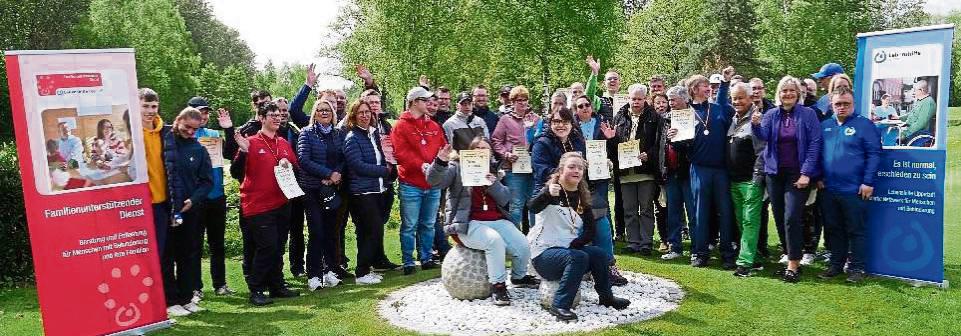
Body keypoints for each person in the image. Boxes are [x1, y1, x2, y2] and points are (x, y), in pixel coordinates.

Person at [428, 140, 540, 306]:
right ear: (470, 151)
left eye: (485, 149)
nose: (481, 152)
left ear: (490, 154)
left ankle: (519, 277)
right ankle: (499, 286)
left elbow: (504, 199)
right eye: (477, 148)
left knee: (522, 243)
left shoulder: (494, 170)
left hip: (495, 219)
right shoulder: (456, 167)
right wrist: (440, 161)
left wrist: (493, 183)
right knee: (493, 241)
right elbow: (434, 181)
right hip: (467, 223)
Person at [527, 152, 631, 321]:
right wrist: (546, 194)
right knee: (579, 257)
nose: (576, 170)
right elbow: (532, 207)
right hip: (544, 255)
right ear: (561, 170)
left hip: (568, 252)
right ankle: (560, 305)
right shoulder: (551, 191)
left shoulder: (582, 197)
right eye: (571, 167)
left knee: (599, 254)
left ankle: (606, 297)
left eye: (580, 168)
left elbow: (590, 230)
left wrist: (576, 243)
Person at [230, 102, 302, 305]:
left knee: (278, 247)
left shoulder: (284, 143)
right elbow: (236, 173)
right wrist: (243, 152)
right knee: (267, 247)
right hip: (258, 205)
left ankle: (277, 286)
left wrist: (289, 167)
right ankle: (256, 289)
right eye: (272, 115)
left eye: (279, 115)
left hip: (282, 203)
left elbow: (297, 171)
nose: (277, 118)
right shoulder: (250, 142)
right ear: (261, 118)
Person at [751, 76, 822, 283]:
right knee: (781, 216)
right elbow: (763, 136)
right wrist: (755, 125)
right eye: (784, 91)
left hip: (797, 174)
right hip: (774, 173)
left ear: (798, 94)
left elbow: (815, 144)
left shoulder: (808, 114)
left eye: (791, 91)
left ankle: (793, 264)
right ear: (778, 94)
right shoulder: (771, 114)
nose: (788, 94)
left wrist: (806, 173)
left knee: (792, 217)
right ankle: (791, 254)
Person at [667, 67, 737, 269]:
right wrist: (673, 140)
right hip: (698, 169)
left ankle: (727, 254)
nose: (708, 88)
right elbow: (683, 145)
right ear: (694, 89)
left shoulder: (718, 109)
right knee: (700, 212)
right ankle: (700, 253)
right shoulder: (685, 115)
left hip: (721, 169)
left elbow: (723, 98)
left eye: (709, 86)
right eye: (705, 86)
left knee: (724, 211)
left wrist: (725, 82)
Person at [817, 87, 881, 283]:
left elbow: (874, 154)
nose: (842, 107)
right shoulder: (825, 125)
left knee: (856, 230)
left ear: (853, 104)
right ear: (831, 105)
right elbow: (818, 154)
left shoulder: (864, 125)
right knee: (834, 228)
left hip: (854, 189)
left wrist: (868, 182)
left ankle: (857, 268)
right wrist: (818, 177)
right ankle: (836, 265)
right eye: (838, 104)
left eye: (846, 104)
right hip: (828, 189)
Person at [161, 107, 213, 316]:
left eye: (195, 129)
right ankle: (171, 300)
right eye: (187, 127)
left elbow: (207, 181)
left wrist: (193, 200)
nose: (190, 132)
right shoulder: (164, 141)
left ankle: (186, 297)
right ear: (178, 120)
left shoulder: (198, 150)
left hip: (190, 210)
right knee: (167, 255)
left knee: (188, 255)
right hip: (166, 208)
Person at [571, 93, 627, 285]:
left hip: (598, 177)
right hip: (577, 180)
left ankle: (608, 266)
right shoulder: (571, 128)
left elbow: (614, 147)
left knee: (600, 217)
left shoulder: (601, 123)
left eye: (587, 105)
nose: (584, 108)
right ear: (575, 110)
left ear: (592, 107)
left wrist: (612, 139)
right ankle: (583, 264)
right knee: (578, 221)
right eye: (580, 106)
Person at [185, 96, 237, 298]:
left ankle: (220, 284)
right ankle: (195, 287)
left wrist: (229, 129)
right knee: (194, 245)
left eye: (206, 112)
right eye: (200, 111)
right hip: (195, 198)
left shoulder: (214, 134)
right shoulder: (184, 136)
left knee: (217, 244)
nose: (204, 115)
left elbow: (232, 153)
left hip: (217, 196)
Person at [394, 87, 448, 275]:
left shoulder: (434, 126)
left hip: (432, 184)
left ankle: (426, 258)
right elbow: (401, 153)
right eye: (425, 100)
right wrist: (422, 165)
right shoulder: (401, 126)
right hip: (411, 183)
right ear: (415, 102)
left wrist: (445, 158)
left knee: (428, 223)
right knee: (410, 225)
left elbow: (442, 147)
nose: (430, 104)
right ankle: (408, 261)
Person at [343, 100, 397, 285]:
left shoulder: (373, 135)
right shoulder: (352, 137)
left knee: (371, 231)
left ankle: (365, 269)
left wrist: (388, 169)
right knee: (372, 231)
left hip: (377, 189)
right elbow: (357, 166)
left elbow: (382, 157)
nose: (365, 115)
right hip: (362, 193)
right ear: (354, 116)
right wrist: (384, 171)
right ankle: (362, 272)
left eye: (367, 112)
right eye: (361, 113)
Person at [297, 99, 347, 290]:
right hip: (312, 189)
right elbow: (303, 160)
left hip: (332, 189)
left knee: (331, 232)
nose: (324, 113)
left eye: (328, 110)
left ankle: (330, 271)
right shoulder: (306, 133)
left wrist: (336, 175)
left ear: (333, 114)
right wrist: (327, 174)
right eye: (320, 110)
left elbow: (342, 158)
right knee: (316, 232)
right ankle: (314, 275)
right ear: (315, 113)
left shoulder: (337, 134)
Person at [610, 84, 661, 256]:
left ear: (645, 99)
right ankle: (633, 241)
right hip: (625, 172)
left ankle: (646, 242)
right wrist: (611, 140)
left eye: (639, 99)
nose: (636, 102)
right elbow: (614, 144)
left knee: (646, 208)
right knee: (629, 209)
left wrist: (649, 155)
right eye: (633, 98)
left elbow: (659, 143)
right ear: (628, 98)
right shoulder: (619, 117)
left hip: (645, 170)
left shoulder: (653, 116)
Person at [726, 83, 766, 277]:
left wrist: (758, 177)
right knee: (742, 221)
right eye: (734, 98)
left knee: (750, 221)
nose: (737, 101)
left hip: (751, 179)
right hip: (734, 179)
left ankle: (744, 263)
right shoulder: (733, 119)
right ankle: (753, 257)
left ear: (751, 98)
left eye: (741, 98)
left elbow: (762, 152)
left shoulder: (757, 120)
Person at [491, 86, 540, 228]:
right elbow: (496, 141)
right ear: (512, 102)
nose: (523, 103)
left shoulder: (536, 119)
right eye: (519, 100)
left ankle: (535, 240)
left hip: (532, 169)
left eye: (525, 100)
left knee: (534, 205)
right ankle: (515, 241)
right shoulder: (505, 120)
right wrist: (506, 154)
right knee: (516, 206)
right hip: (513, 169)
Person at [660, 86, 695, 260]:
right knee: (673, 212)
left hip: (689, 172)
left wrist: (681, 137)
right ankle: (675, 247)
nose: (671, 103)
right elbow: (662, 146)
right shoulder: (666, 119)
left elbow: (694, 145)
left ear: (685, 99)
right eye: (669, 100)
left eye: (673, 100)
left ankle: (697, 247)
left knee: (693, 210)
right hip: (671, 172)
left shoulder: (695, 117)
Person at [532, 107, 585, 193]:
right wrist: (568, 172)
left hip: (574, 191)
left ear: (572, 124)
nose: (561, 125)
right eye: (556, 121)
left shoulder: (578, 141)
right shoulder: (541, 144)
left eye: (565, 122)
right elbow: (542, 172)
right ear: (550, 124)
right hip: (548, 192)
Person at [898, 79, 936, 144]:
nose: (913, 92)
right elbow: (911, 114)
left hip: (919, 133)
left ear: (922, 90)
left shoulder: (928, 102)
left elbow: (921, 123)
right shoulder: (920, 101)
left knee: (891, 138)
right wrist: (899, 118)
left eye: (915, 90)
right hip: (911, 130)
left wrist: (905, 133)